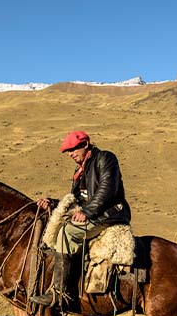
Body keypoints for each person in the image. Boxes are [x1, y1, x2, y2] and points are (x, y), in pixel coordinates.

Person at [30, 130, 131, 307]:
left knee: (67, 233)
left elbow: (107, 189)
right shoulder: (80, 169)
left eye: (73, 149)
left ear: (85, 145)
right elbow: (77, 197)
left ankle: (62, 294)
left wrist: (87, 212)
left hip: (109, 215)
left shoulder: (105, 159)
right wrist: (53, 203)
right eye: (68, 151)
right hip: (95, 214)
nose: (70, 154)